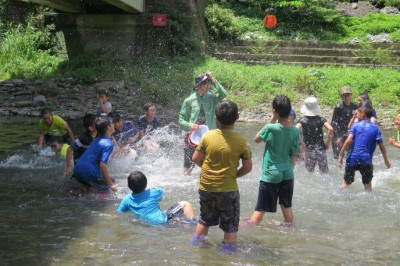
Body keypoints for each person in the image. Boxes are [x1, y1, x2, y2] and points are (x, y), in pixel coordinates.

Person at [191, 100, 252, 250]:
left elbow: (195, 158)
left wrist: (206, 169)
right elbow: (248, 167)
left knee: (204, 220)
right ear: (237, 117)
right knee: (230, 227)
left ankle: (196, 247)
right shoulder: (241, 141)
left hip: (206, 186)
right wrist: (234, 175)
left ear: (216, 119)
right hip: (228, 189)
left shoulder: (207, 136)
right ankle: (227, 256)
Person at [243, 95, 300, 227]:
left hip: (271, 173)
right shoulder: (295, 131)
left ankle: (247, 228)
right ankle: (289, 230)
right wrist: (290, 169)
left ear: (274, 111)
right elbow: (293, 155)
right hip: (288, 173)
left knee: (260, 209)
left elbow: (256, 139)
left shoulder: (271, 128)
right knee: (286, 208)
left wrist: (272, 119)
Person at [178, 71, 227, 175]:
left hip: (209, 136)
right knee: (188, 168)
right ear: (198, 86)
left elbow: (223, 93)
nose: (208, 87)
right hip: (191, 137)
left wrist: (213, 80)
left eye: (209, 85)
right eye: (205, 85)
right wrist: (190, 125)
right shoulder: (189, 100)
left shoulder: (212, 98)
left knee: (210, 166)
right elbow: (181, 120)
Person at [338, 103, 391, 191]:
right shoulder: (376, 128)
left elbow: (348, 141)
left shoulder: (355, 125)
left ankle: (340, 194)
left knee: (346, 181)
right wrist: (386, 160)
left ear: (363, 114)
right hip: (366, 160)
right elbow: (381, 146)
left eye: (357, 113)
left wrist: (340, 155)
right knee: (367, 184)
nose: (356, 114)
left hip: (353, 158)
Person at [116, 171, 196, 225]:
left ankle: (184, 222)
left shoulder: (126, 199)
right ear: (146, 184)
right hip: (163, 220)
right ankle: (192, 225)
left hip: (147, 223)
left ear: (128, 186)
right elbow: (160, 195)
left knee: (168, 213)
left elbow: (118, 213)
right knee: (185, 204)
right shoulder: (154, 192)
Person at [72, 116, 118, 192]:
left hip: (77, 170)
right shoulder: (109, 144)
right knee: (108, 188)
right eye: (112, 123)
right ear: (108, 127)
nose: (114, 125)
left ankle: (88, 191)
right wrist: (111, 185)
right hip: (88, 172)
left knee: (108, 179)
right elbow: (103, 166)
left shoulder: (96, 139)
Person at [296, 97, 333, 174]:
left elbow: (295, 130)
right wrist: (328, 142)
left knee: (308, 173)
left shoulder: (302, 120)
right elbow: (330, 129)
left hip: (309, 150)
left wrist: (302, 143)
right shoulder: (321, 119)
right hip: (321, 150)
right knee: (325, 173)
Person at [331, 86, 358, 159]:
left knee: (350, 156)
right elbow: (334, 123)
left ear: (351, 95)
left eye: (348, 95)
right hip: (339, 134)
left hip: (349, 134)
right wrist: (338, 137)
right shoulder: (339, 107)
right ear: (341, 96)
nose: (346, 97)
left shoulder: (355, 106)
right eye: (344, 95)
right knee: (337, 157)